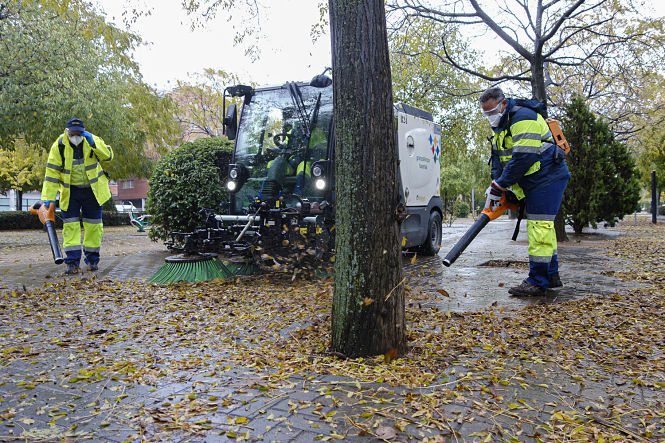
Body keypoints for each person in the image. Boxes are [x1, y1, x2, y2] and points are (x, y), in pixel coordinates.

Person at [480, 87, 570, 296]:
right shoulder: (501, 128)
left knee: (539, 228)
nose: (490, 117)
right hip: (536, 180)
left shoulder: (523, 117)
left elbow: (524, 157)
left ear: (503, 104)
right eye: (486, 114)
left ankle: (537, 282)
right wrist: (496, 185)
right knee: (543, 227)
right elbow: (498, 160)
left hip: (547, 177)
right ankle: (551, 275)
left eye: (492, 112)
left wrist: (500, 185)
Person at [41, 118, 114, 274]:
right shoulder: (59, 146)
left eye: (79, 132)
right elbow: (52, 173)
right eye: (73, 132)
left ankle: (93, 260)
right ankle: (72, 262)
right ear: (67, 131)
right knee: (71, 227)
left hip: (93, 191)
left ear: (84, 131)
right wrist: (48, 197)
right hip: (70, 192)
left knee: (94, 227)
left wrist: (94, 143)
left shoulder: (92, 140)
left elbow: (108, 156)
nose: (76, 135)